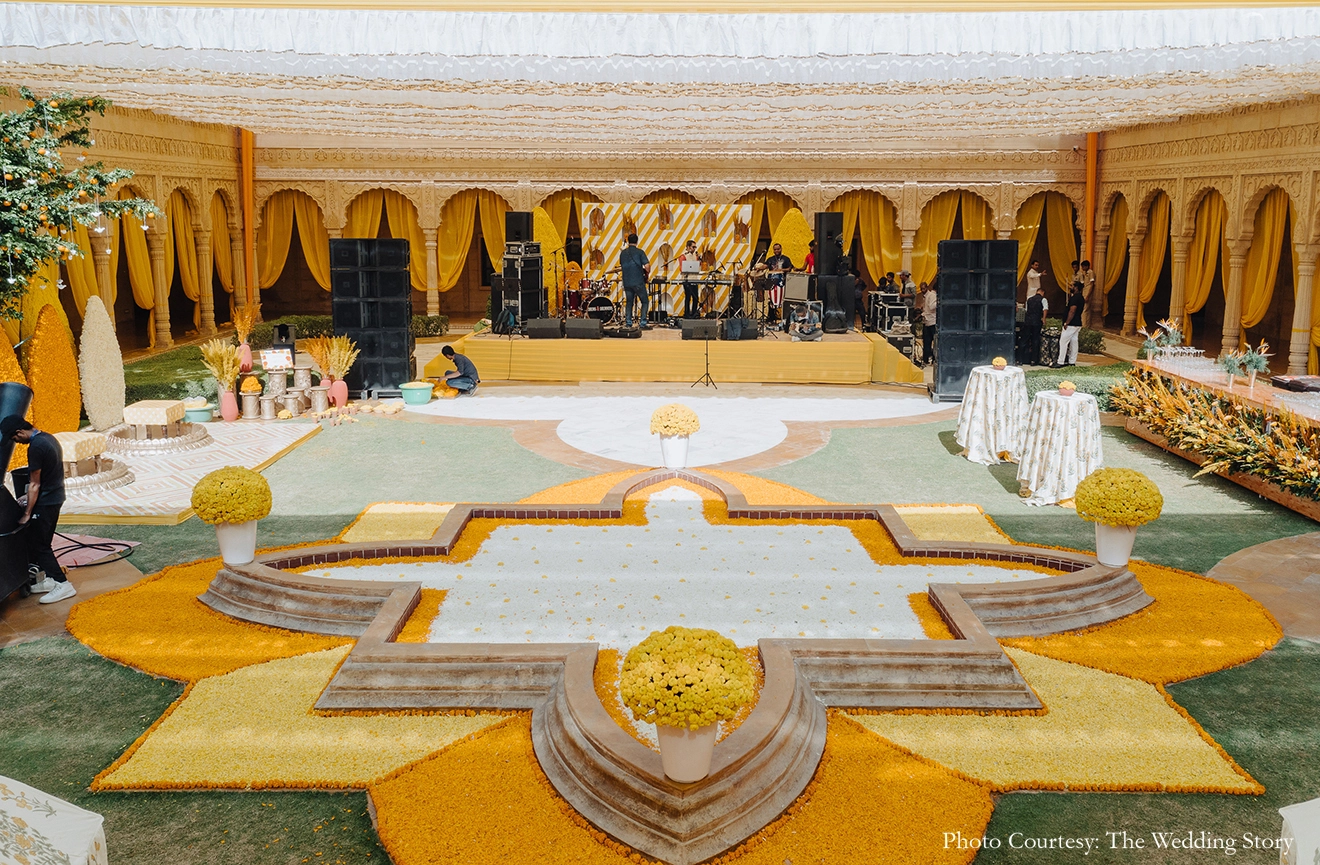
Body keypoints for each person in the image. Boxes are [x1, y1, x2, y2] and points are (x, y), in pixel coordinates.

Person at [2, 417, 75, 605]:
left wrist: (27, 513)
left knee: (39, 545)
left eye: (14, 438)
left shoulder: (35, 447)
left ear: (19, 432)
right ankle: (50, 579)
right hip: (55, 497)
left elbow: (35, 484)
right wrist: (26, 498)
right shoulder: (48, 438)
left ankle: (62, 583)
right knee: (44, 541)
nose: (16, 442)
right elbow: (48, 476)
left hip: (45, 503)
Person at [618, 233, 650, 329]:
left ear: (628, 241)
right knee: (645, 301)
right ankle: (643, 323)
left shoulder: (623, 253)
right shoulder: (640, 252)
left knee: (629, 302)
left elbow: (622, 265)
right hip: (638, 281)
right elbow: (647, 266)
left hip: (627, 282)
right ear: (637, 241)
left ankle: (628, 322)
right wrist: (646, 273)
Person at [1055, 281, 1086, 367]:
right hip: (1077, 323)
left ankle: (1060, 361)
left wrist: (1067, 322)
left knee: (1063, 342)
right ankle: (1072, 361)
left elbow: (1072, 311)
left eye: (1072, 286)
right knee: (1074, 342)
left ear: (1076, 288)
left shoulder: (1075, 298)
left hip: (1071, 324)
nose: (1070, 287)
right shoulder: (1081, 297)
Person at [764, 242, 792, 319]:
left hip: (781, 282)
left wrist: (781, 270)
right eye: (775, 249)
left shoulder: (785, 259)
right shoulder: (770, 259)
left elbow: (789, 268)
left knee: (781, 299)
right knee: (771, 299)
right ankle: (772, 317)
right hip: (771, 282)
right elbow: (765, 266)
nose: (776, 251)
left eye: (778, 249)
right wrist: (759, 267)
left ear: (781, 249)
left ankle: (782, 317)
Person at [678, 239, 701, 318]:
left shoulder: (696, 256)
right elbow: (682, 268)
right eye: (693, 247)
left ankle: (694, 313)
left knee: (696, 297)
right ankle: (687, 313)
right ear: (688, 247)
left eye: (695, 247)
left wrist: (700, 259)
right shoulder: (683, 256)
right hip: (687, 279)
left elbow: (699, 266)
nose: (694, 249)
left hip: (694, 279)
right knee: (688, 297)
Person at [1023, 289, 1046, 366]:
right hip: (1036, 322)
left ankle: (1020, 359)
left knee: (1024, 339)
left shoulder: (1029, 299)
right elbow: (1045, 309)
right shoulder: (1043, 299)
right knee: (1035, 340)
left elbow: (1026, 310)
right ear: (1042, 292)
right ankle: (1034, 360)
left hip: (1028, 322)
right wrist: (1044, 318)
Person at [920, 283, 938, 365]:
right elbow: (931, 306)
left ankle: (926, 359)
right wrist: (939, 303)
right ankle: (933, 359)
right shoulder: (933, 295)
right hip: (932, 321)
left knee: (927, 342)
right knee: (935, 342)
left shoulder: (928, 295)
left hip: (927, 321)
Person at [1079, 259, 1097, 326]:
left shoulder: (1090, 272)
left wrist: (1088, 296)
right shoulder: (1085, 273)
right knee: (1086, 309)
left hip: (1088, 292)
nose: (1082, 268)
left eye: (1083, 267)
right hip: (1084, 291)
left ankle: (1084, 325)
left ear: (1087, 266)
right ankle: (1087, 324)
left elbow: (1092, 284)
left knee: (1085, 309)